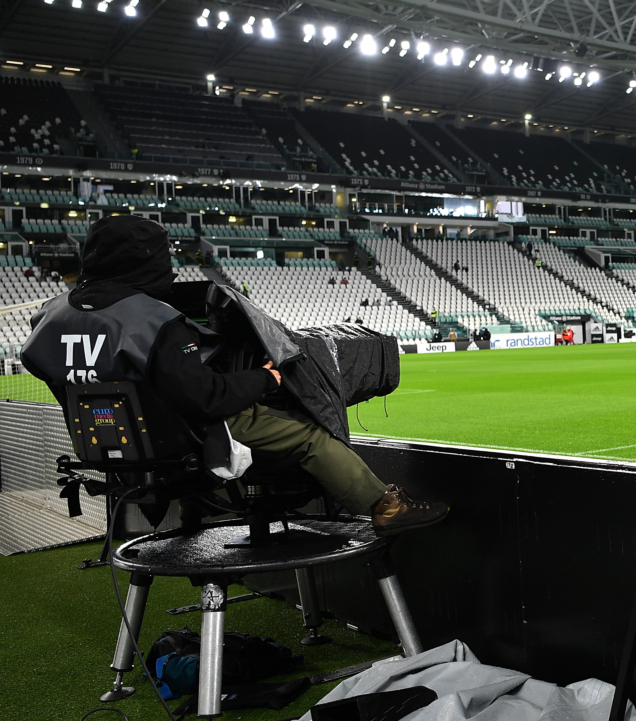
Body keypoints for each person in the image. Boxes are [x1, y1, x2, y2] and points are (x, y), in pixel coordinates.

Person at [21, 216, 446, 537]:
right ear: (145, 260)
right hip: (183, 436)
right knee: (309, 436)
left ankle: (191, 510)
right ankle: (385, 506)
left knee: (175, 416)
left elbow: (38, 362)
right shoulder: (154, 319)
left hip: (108, 439)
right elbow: (207, 399)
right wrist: (267, 379)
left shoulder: (51, 314)